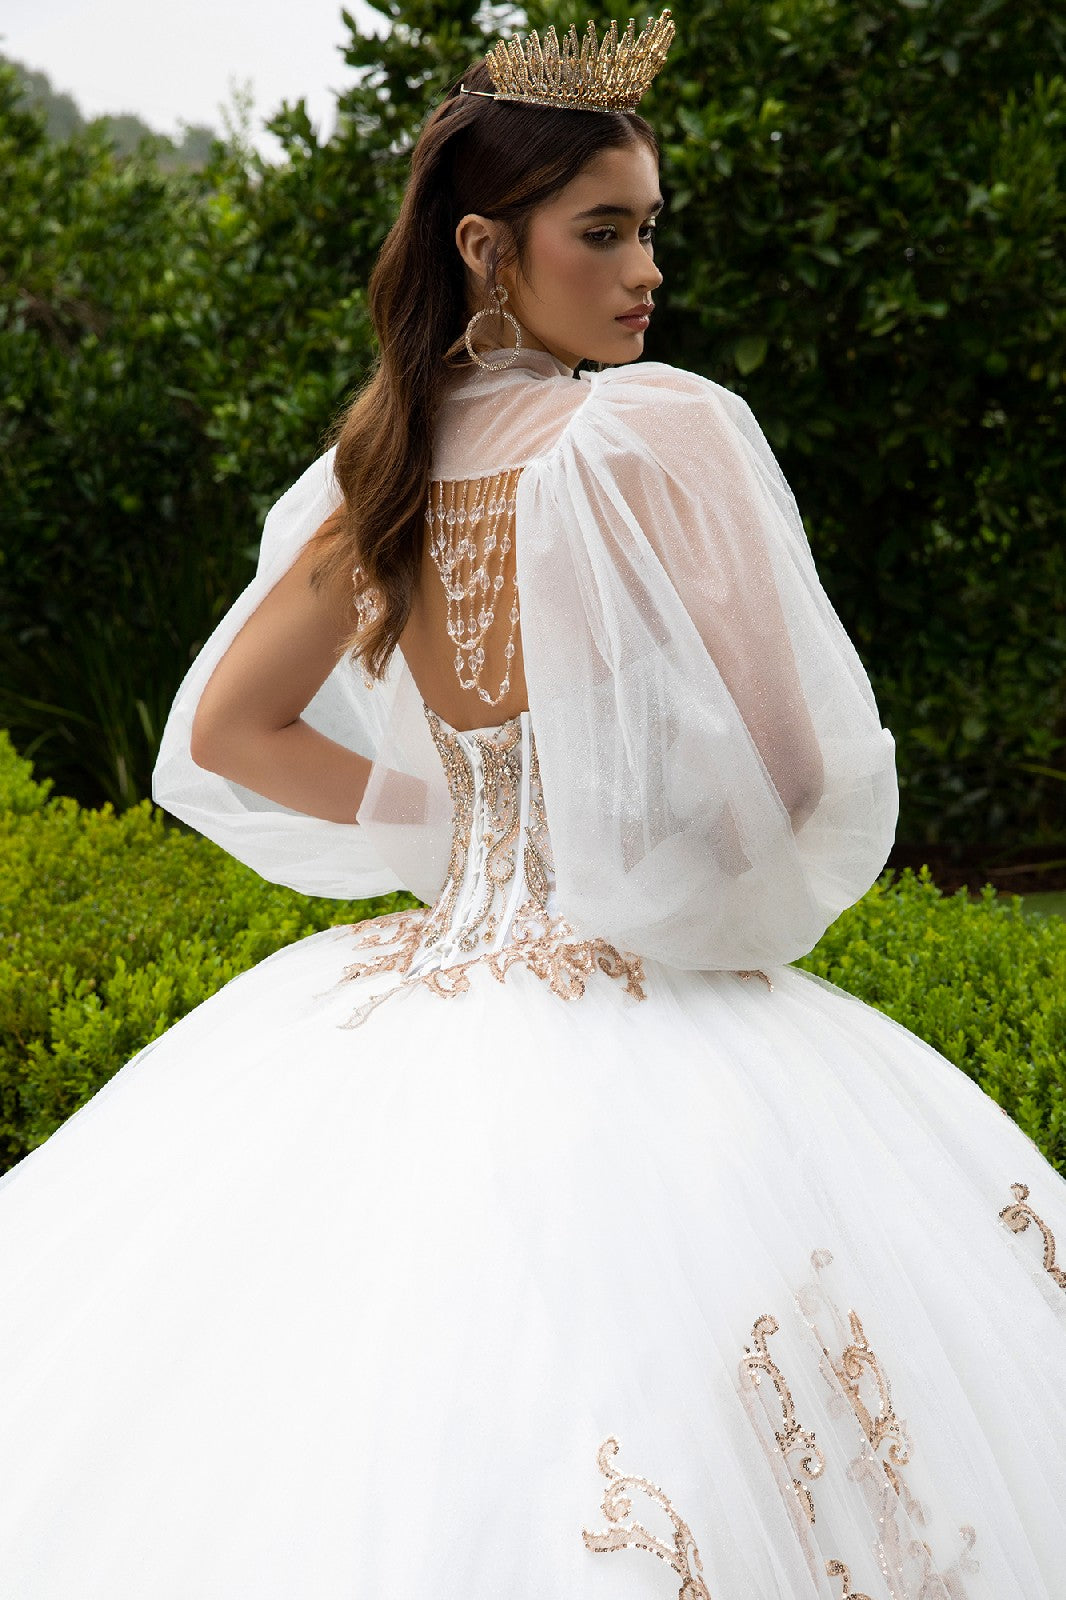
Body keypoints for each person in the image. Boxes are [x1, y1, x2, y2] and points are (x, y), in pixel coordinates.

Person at [0, 11, 1063, 1597]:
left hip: (427, 985)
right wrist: (640, 863)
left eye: (650, 230)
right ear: (486, 246)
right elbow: (791, 778)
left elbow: (230, 729)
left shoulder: (389, 461)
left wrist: (458, 833)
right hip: (647, 997)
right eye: (605, 231)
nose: (646, 271)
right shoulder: (662, 431)